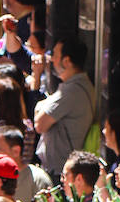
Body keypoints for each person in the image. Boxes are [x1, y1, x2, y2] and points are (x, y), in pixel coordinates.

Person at [34, 36, 97, 181]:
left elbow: (40, 124)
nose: (51, 59)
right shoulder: (75, 86)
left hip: (59, 172)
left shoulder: (72, 91)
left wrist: (40, 106)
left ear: (66, 61)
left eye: (55, 55)